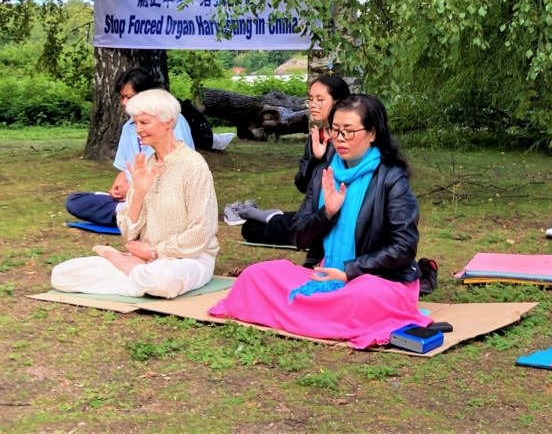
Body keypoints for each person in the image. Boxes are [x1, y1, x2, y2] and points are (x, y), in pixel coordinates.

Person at [208, 95, 431, 348]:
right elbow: (298, 237)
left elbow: (404, 247)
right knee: (256, 275)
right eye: (335, 130)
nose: (340, 138)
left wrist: (349, 272)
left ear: (372, 134)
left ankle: (308, 312)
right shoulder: (322, 173)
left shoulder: (392, 178)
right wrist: (327, 212)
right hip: (325, 273)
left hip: (379, 279)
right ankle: (318, 313)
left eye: (349, 131)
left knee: (361, 296)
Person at [51, 89, 219, 298]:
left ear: (169, 122)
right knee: (62, 274)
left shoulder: (193, 165)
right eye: (135, 123)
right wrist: (138, 193)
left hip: (188, 259)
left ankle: (127, 268)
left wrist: (155, 253)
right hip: (144, 259)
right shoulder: (145, 166)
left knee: (161, 281)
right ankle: (136, 275)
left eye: (145, 122)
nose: (139, 129)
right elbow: (129, 233)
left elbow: (202, 230)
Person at [226, 75, 351, 251]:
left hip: (342, 213)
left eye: (320, 99)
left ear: (339, 102)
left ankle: (274, 218)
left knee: (285, 226)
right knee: (251, 228)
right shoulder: (315, 138)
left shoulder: (349, 138)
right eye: (310, 99)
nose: (313, 104)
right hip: (314, 212)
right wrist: (316, 158)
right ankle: (275, 218)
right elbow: (302, 184)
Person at [65, 69, 194, 227]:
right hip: (134, 197)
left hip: (162, 195)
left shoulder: (170, 121)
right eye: (122, 98)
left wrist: (137, 191)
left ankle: (134, 216)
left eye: (129, 97)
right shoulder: (128, 127)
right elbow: (124, 168)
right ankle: (130, 214)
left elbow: (174, 173)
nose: (124, 103)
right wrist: (117, 189)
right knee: (75, 201)